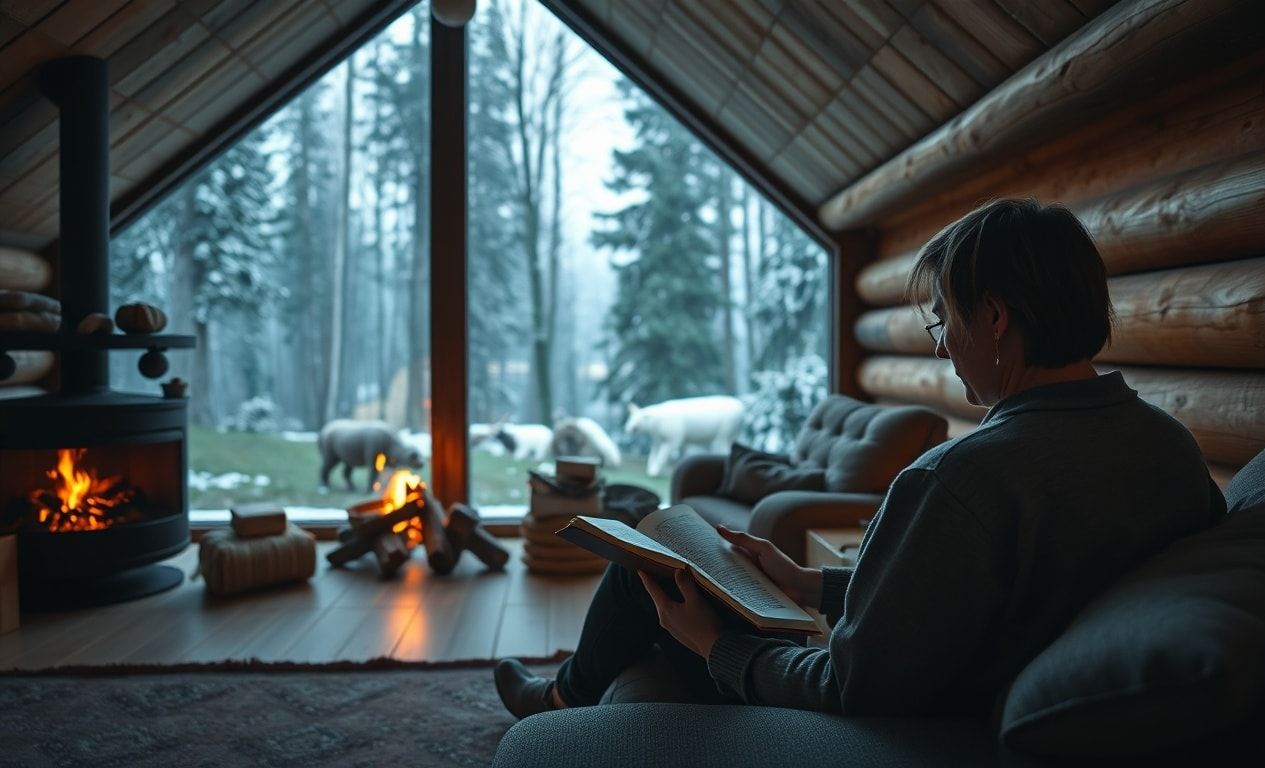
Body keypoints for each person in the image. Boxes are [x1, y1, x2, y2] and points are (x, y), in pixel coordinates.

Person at [494, 198, 1226, 720]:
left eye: (944, 318)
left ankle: (561, 700)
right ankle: (569, 695)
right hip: (975, 683)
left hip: (919, 725)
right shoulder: (1169, 447)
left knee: (642, 567)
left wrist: (715, 646)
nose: (941, 344)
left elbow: (852, 690)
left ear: (996, 318)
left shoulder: (964, 477)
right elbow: (987, 592)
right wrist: (812, 585)